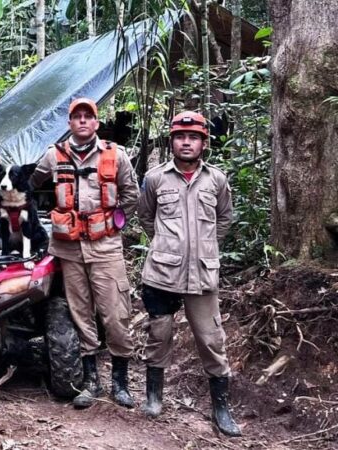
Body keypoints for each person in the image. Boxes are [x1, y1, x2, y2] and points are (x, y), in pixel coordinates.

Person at [30, 98, 139, 409]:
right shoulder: (54, 155)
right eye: (76, 117)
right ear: (69, 123)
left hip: (105, 247)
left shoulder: (116, 155)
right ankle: (90, 381)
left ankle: (120, 383)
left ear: (96, 122)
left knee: (115, 314)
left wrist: (115, 221)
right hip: (68, 248)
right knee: (80, 313)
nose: (81, 121)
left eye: (87, 117)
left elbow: (132, 193)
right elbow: (32, 183)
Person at [137, 111, 241, 437]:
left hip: (202, 274)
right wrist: (168, 247)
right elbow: (145, 217)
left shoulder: (217, 180)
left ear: (203, 144)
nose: (186, 142)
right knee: (159, 334)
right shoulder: (155, 179)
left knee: (212, 339)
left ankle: (221, 409)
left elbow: (224, 219)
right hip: (162, 274)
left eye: (193, 137)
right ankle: (154, 397)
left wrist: (204, 247)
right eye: (180, 137)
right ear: (172, 142)